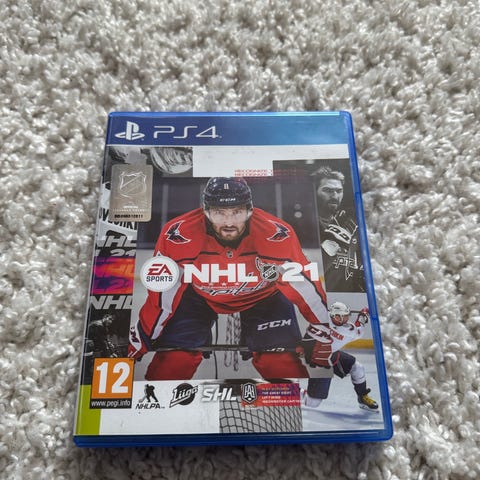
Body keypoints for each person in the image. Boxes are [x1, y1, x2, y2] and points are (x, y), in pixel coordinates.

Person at [128, 177, 331, 380]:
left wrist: (323, 328)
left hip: (264, 297)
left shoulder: (275, 234)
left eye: (237, 212)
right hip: (197, 297)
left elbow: (304, 285)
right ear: (206, 211)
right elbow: (164, 293)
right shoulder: (179, 235)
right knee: (173, 362)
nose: (228, 222)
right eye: (219, 213)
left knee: (279, 362)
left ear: (250, 210)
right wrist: (144, 333)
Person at [302, 302, 378, 411]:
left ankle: (362, 397)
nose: (347, 318)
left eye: (347, 315)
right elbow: (359, 329)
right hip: (317, 361)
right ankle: (286, 393)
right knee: (312, 402)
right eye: (345, 316)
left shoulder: (320, 317)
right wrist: (363, 315)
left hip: (328, 354)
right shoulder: (349, 331)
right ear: (337, 317)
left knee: (357, 368)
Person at [313, 166, 365, 292]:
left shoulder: (351, 222)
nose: (335, 196)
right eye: (328, 190)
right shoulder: (304, 226)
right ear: (314, 192)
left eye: (339, 191)